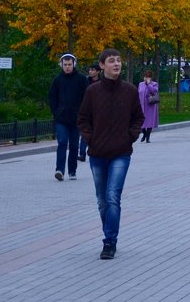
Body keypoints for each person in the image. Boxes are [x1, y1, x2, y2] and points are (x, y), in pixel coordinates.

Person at [77, 48, 143, 259]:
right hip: (97, 152)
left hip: (121, 153)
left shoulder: (130, 90)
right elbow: (83, 119)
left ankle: (109, 241)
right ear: (102, 65)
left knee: (113, 196)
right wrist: (91, 138)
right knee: (102, 200)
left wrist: (129, 136)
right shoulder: (92, 92)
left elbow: (138, 118)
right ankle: (109, 232)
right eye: (112, 61)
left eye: (119, 60)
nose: (117, 64)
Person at [49, 53, 89, 181]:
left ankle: (72, 170)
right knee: (61, 142)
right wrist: (56, 112)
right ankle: (59, 170)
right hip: (61, 119)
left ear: (74, 64)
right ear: (61, 65)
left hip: (76, 119)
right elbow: (52, 97)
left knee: (73, 145)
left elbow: (87, 98)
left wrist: (83, 114)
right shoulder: (57, 80)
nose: (67, 67)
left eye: (69, 65)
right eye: (65, 65)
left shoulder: (82, 79)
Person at [78, 62, 101, 162]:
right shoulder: (86, 81)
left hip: (99, 110)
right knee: (85, 132)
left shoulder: (102, 82)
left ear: (98, 71)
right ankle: (82, 153)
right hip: (88, 110)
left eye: (92, 70)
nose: (90, 72)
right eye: (90, 70)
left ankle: (95, 150)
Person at [138, 70, 159, 143]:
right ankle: (144, 134)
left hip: (150, 106)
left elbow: (153, 91)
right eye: (145, 77)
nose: (146, 78)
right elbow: (138, 93)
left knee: (149, 122)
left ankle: (148, 137)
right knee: (141, 122)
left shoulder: (154, 84)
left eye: (148, 77)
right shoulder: (141, 84)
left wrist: (149, 84)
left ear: (151, 78)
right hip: (141, 105)